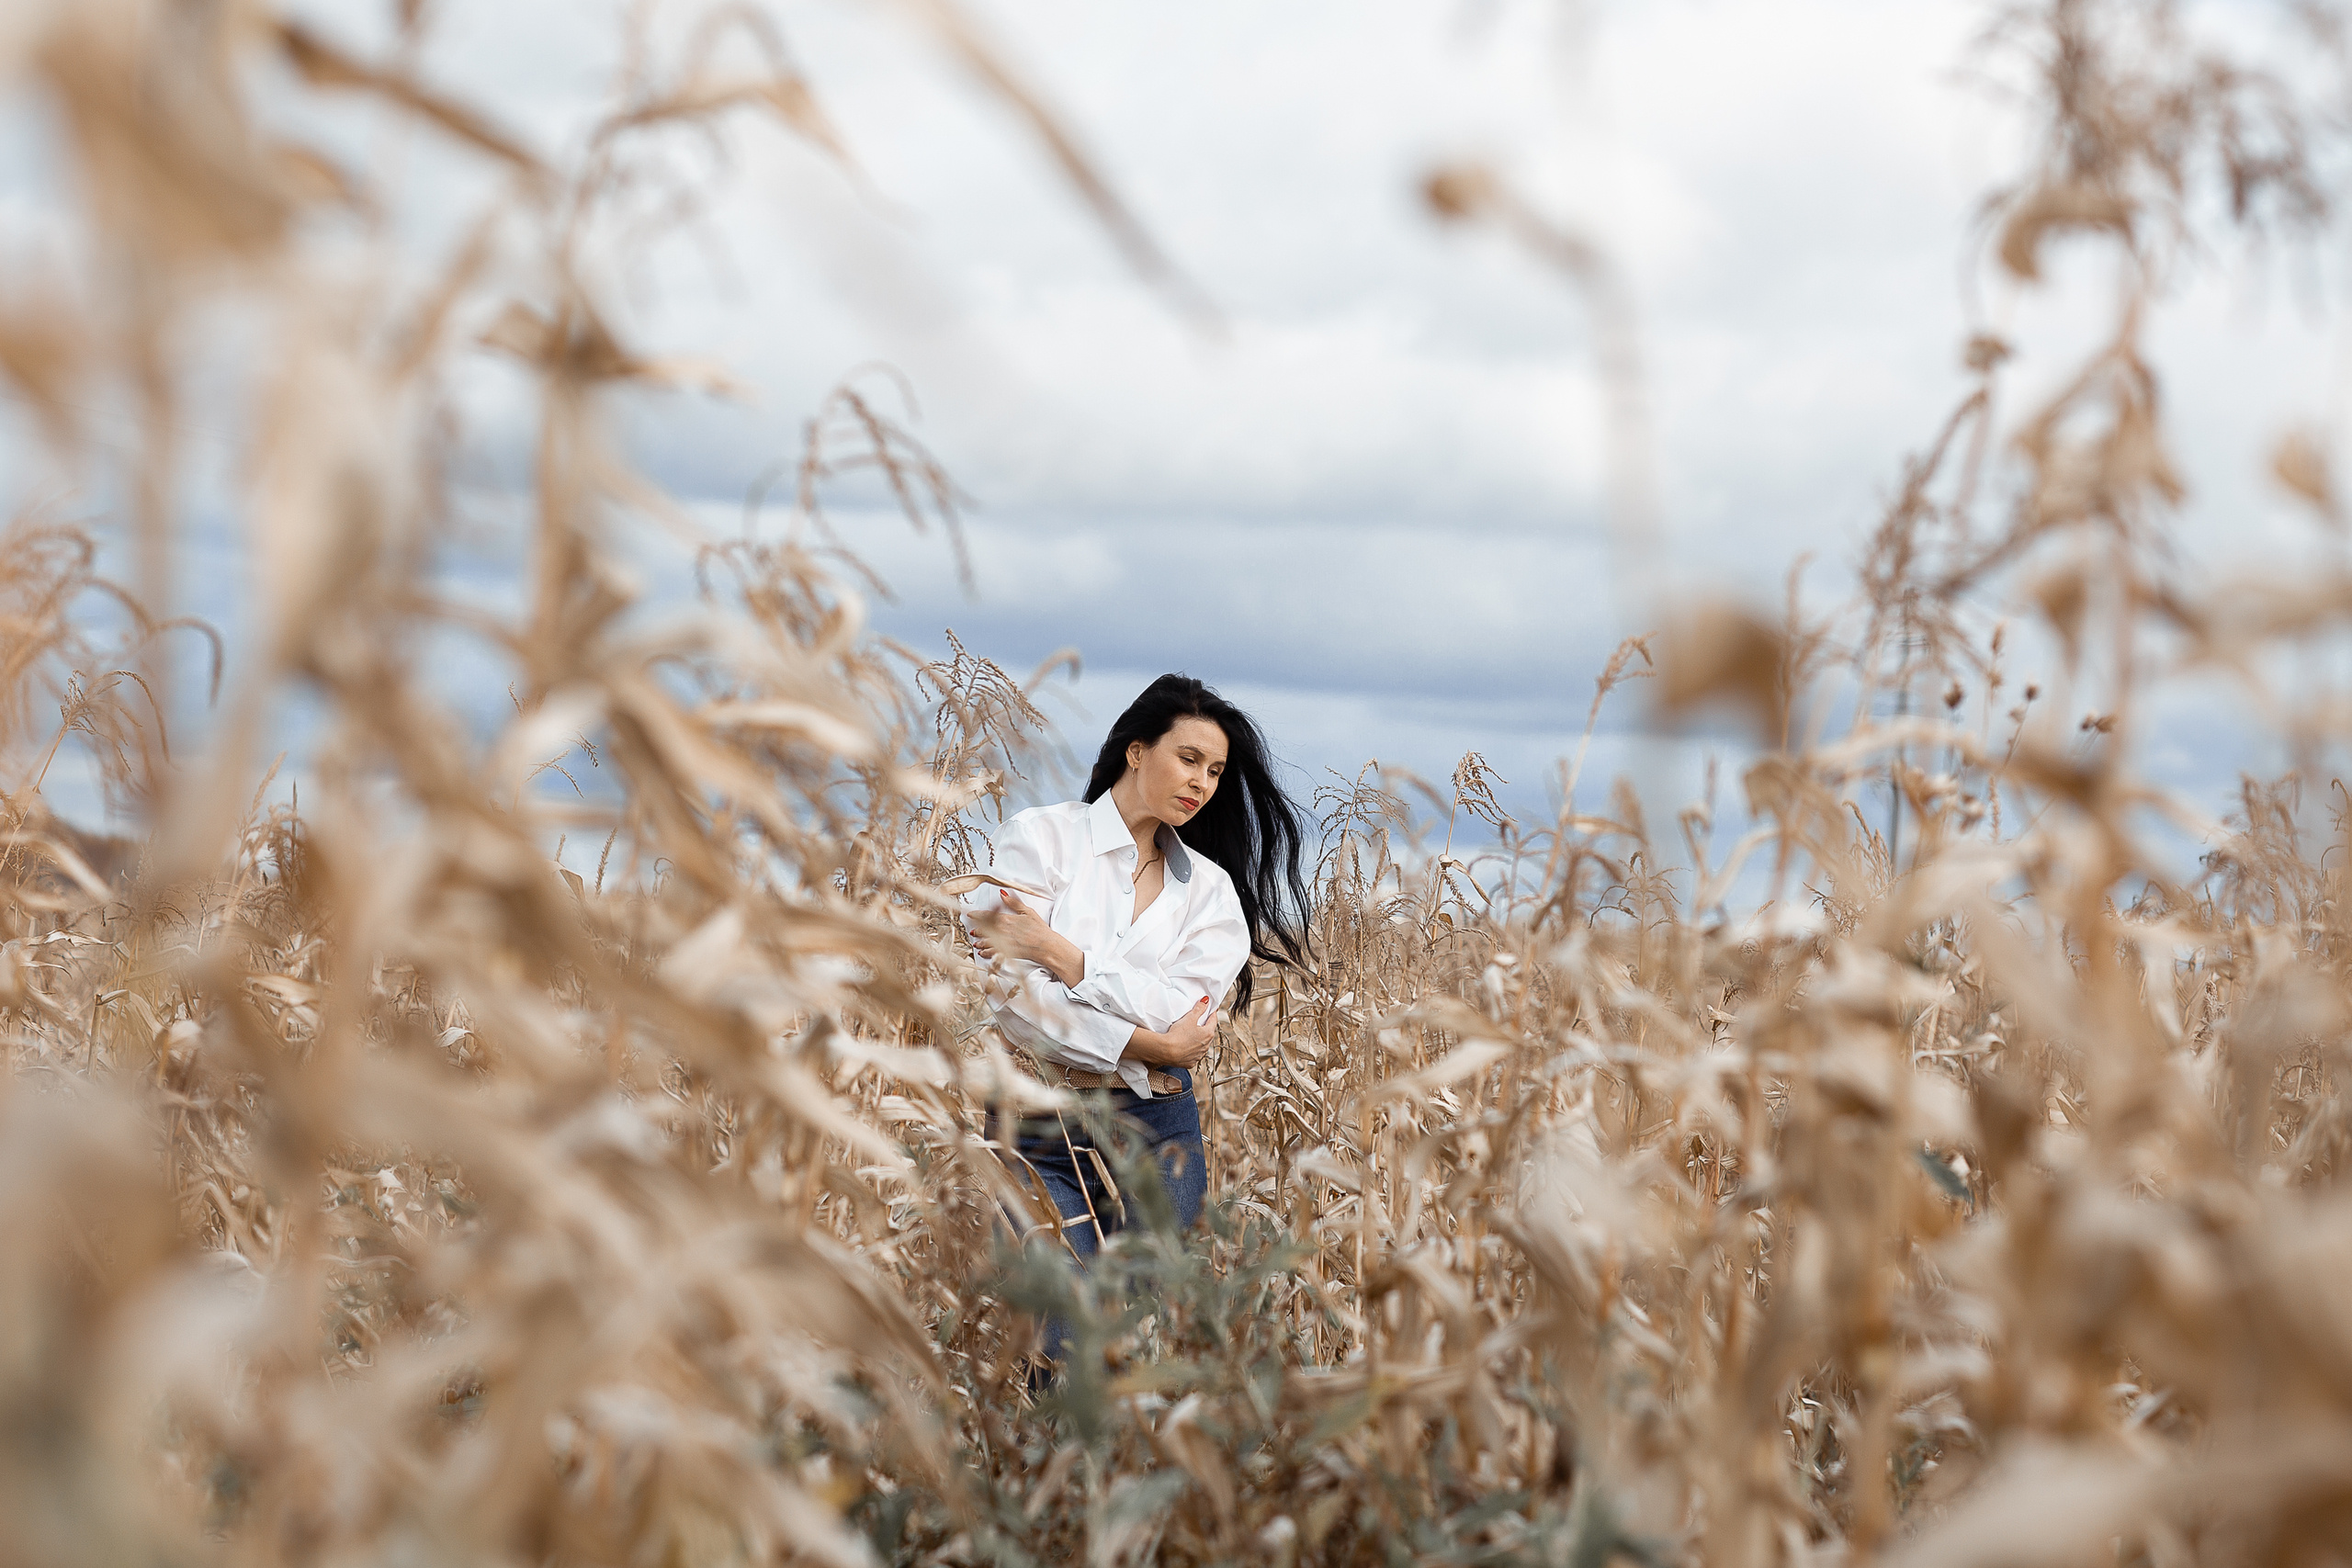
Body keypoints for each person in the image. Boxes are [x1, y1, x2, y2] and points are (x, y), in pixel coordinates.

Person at [964, 673, 1311, 1264]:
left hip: (1157, 1125)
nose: (1202, 783)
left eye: (1215, 771)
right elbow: (1015, 1000)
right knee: (1059, 1312)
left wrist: (1061, 955)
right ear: (1137, 751)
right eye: (1189, 759)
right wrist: (1158, 1048)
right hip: (1037, 1120)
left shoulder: (1212, 893)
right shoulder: (1038, 839)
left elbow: (1179, 1013)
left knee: (1149, 1311)